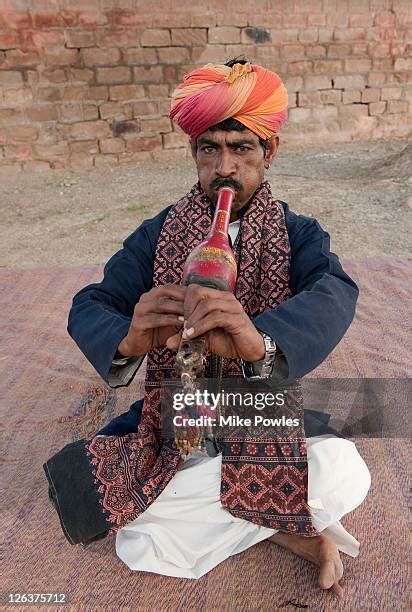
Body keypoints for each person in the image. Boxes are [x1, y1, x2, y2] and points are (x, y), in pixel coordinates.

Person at [44, 59, 370, 598]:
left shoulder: (298, 232)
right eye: (209, 149)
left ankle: (256, 514)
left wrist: (260, 340)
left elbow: (334, 294)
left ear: (269, 154)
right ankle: (285, 527)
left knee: (344, 467)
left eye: (241, 148)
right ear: (194, 155)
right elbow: (92, 303)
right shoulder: (157, 233)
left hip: (256, 409)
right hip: (175, 411)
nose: (224, 166)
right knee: (134, 535)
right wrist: (129, 337)